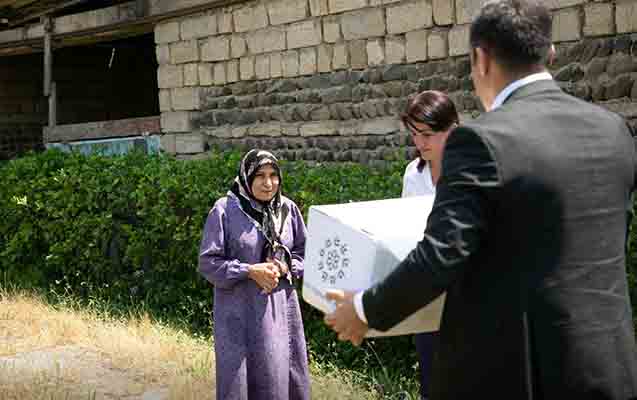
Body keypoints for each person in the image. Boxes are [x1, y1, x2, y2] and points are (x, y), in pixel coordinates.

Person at [324, 0, 637, 398]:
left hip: (520, 376)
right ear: (551, 54)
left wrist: (364, 310)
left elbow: (440, 255)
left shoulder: (481, 141)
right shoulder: (613, 131)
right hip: (611, 368)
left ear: (481, 59)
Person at [199, 149, 311, 400]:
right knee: (240, 383)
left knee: (279, 376)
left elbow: (306, 253)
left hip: (280, 314)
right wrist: (249, 270)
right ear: (246, 177)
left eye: (273, 175)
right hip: (238, 317)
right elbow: (208, 263)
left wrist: (284, 267)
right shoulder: (225, 210)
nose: (268, 183)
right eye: (260, 175)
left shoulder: (288, 210)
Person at [400, 90, 459, 400]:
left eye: (426, 134)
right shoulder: (414, 173)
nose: (419, 143)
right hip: (428, 290)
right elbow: (406, 228)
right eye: (414, 134)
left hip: (468, 291)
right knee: (432, 376)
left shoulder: (473, 169)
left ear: (452, 129)